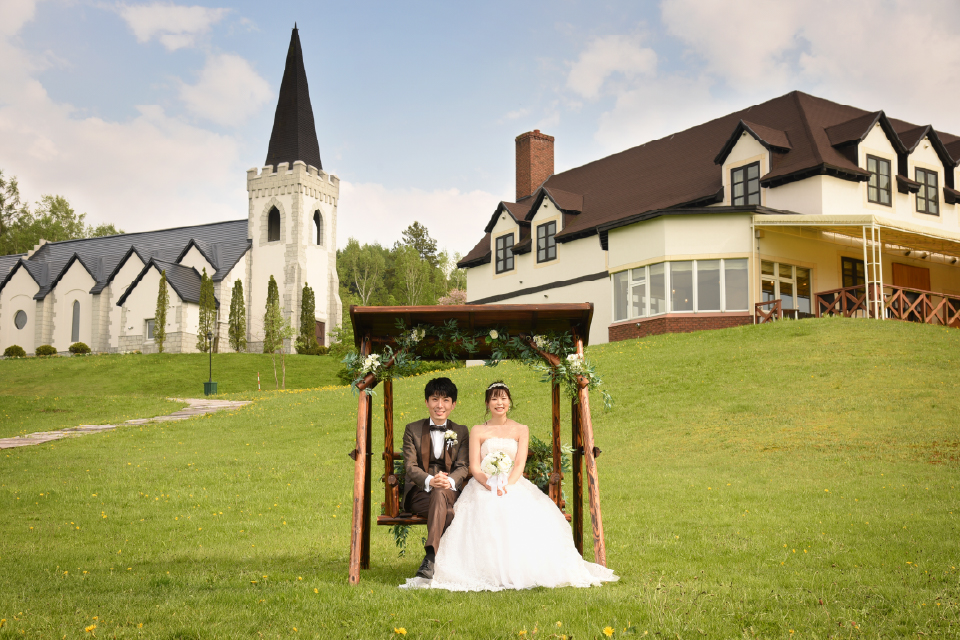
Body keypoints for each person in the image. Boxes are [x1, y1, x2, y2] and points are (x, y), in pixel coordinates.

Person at [401, 381, 618, 591]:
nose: (499, 403)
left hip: (511, 483)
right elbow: (473, 467)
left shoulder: (518, 429)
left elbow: (518, 464)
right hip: (478, 484)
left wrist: (507, 486)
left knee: (515, 509)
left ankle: (518, 567)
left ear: (509, 402)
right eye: (494, 399)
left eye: (503, 398)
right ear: (487, 403)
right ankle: (441, 561)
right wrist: (488, 484)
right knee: (476, 508)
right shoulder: (473, 430)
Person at [400, 377, 471, 580]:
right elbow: (410, 466)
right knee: (447, 513)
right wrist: (430, 480)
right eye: (435, 399)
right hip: (420, 493)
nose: (440, 405)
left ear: (453, 404)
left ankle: (430, 559)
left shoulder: (461, 431)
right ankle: (435, 558)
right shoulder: (412, 429)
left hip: (449, 491)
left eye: (446, 400)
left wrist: (448, 481)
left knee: (442, 493)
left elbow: (462, 466)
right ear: (426, 402)